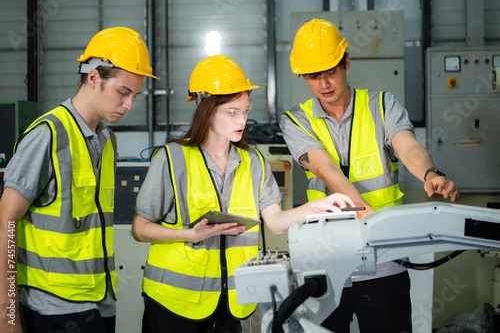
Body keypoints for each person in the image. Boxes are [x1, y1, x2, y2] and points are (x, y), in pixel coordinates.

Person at [131, 54, 355, 333]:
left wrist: (318, 206)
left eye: (245, 111)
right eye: (232, 112)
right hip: (173, 304)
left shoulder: (253, 162)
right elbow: (140, 229)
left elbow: (274, 220)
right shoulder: (172, 159)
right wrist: (190, 234)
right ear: (206, 109)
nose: (242, 120)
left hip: (232, 304)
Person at [280, 19, 460, 333]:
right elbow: (326, 169)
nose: (324, 83)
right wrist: (361, 209)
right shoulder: (296, 120)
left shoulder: (382, 104)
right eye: (312, 75)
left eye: (331, 71)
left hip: (383, 264)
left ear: (346, 61)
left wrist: (429, 173)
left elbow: (408, 148)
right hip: (326, 263)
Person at [0, 27, 158, 333]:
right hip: (51, 309)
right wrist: (7, 314)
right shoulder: (47, 135)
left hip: (100, 303)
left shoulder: (107, 142)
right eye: (123, 92)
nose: (129, 105)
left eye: (134, 96)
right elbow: (5, 220)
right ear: (94, 77)